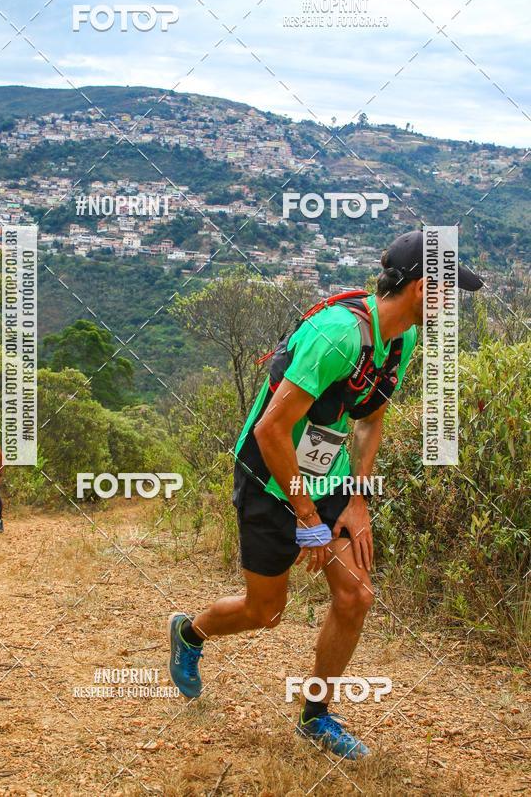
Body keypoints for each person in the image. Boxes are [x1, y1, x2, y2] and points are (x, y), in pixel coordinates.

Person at [168, 230, 483, 759]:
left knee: (356, 595)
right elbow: (272, 430)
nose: (455, 303)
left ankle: (315, 716)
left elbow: (369, 420)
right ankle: (190, 633)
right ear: (423, 288)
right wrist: (307, 516)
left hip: (329, 478)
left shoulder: (400, 339)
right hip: (271, 480)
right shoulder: (336, 335)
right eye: (450, 290)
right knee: (266, 612)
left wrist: (357, 498)